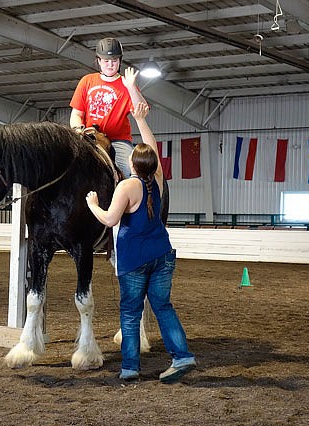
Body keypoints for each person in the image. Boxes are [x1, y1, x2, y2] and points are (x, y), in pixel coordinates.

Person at [85, 102, 196, 384]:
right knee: (163, 307)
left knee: (131, 313)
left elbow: (109, 220)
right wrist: (141, 120)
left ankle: (130, 367)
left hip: (134, 260)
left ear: (132, 164)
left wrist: (93, 204)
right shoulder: (157, 179)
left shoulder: (127, 186)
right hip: (162, 254)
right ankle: (182, 356)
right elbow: (152, 147)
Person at [70, 37, 148, 178]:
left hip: (118, 140)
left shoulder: (126, 85)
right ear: (99, 61)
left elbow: (142, 110)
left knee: (127, 170)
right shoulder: (87, 81)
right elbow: (76, 114)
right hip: (90, 137)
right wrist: (78, 131)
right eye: (106, 61)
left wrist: (131, 88)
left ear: (120, 61)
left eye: (114, 61)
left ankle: (129, 197)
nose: (110, 65)